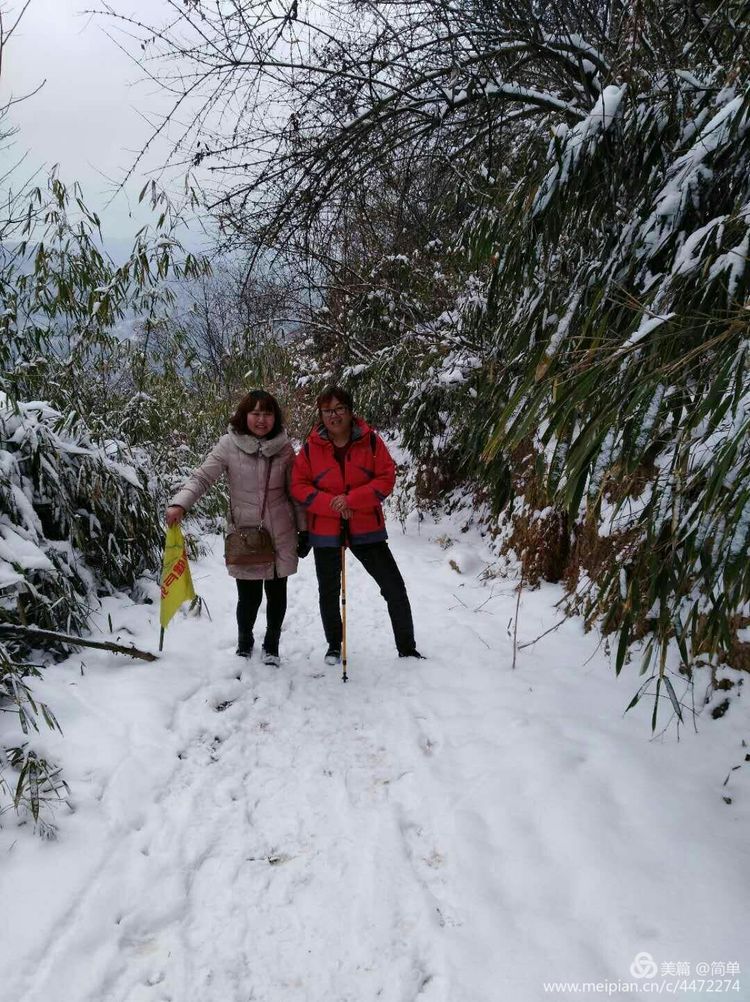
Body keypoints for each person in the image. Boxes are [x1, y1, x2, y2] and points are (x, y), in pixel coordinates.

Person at [165, 390, 309, 666]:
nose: (261, 419)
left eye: (267, 414)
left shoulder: (284, 448)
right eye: (255, 413)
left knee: (277, 594)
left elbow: (296, 492)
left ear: (275, 418)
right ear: (245, 416)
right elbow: (203, 477)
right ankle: (245, 641)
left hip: (281, 533)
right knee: (249, 597)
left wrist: (304, 530)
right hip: (245, 534)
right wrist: (180, 504)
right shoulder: (228, 445)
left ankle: (272, 645)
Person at [291, 385, 422, 664]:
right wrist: (331, 504)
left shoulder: (371, 441)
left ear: (350, 411)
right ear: (320, 414)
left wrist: (352, 500)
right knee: (328, 591)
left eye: (339, 409)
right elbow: (299, 486)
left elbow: (386, 477)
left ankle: (407, 648)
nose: (333, 415)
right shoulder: (311, 447)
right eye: (327, 411)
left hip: (366, 526)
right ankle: (334, 646)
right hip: (325, 530)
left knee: (393, 587)